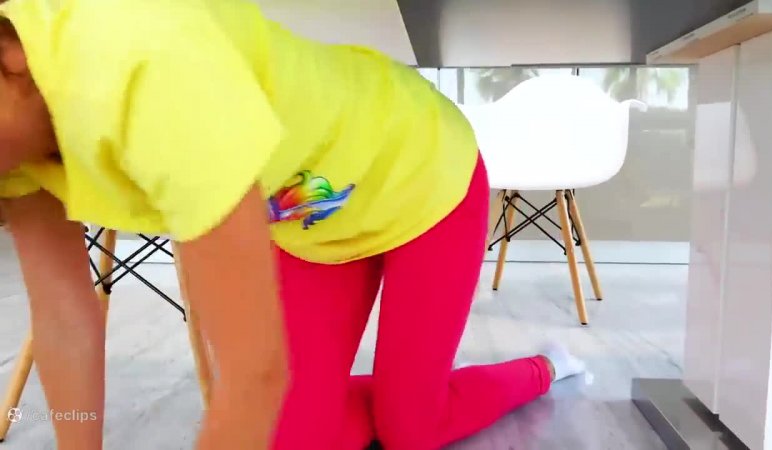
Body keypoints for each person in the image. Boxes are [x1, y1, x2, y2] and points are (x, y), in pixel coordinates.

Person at [0, 0, 586, 449]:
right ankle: (396, 395)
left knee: (410, 430)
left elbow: (255, 375)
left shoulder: (146, 66)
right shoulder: (15, 149)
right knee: (294, 435)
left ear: (10, 59)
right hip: (313, 219)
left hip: (422, 176)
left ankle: (542, 367)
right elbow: (63, 317)